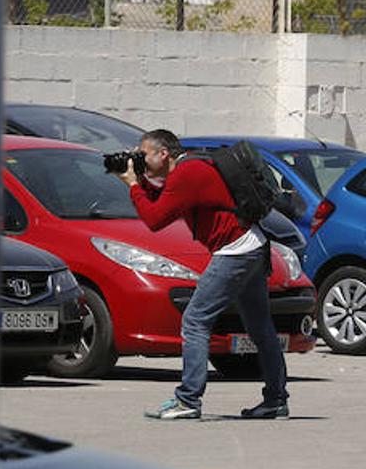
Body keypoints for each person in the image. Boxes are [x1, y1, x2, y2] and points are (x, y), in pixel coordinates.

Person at [115, 128, 288, 420]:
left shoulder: (187, 173)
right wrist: (140, 181)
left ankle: (188, 400)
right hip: (252, 246)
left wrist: (133, 184)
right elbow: (165, 201)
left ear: (163, 153)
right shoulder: (190, 167)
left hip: (235, 251)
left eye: (143, 154)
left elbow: (155, 219)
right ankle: (275, 400)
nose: (139, 158)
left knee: (195, 320)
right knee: (260, 327)